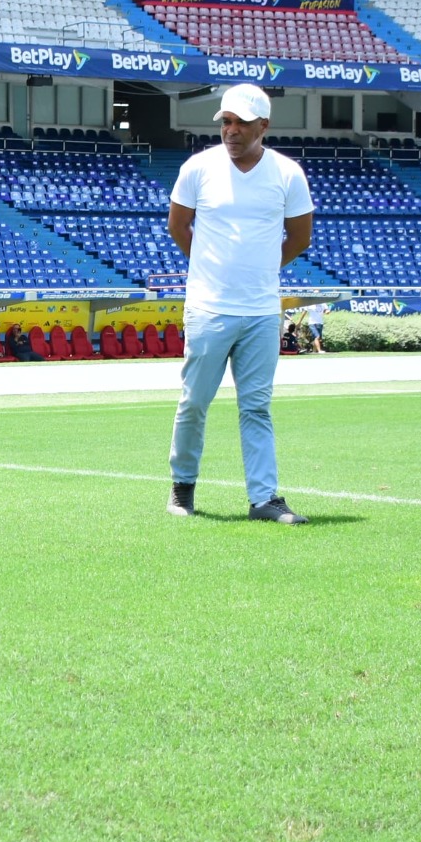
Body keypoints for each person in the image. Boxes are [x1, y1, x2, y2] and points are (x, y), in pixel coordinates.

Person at [165, 83, 314, 524]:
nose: (230, 130)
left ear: (262, 125)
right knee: (194, 401)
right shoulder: (198, 168)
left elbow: (300, 237)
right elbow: (178, 226)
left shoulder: (287, 174)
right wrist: (214, 269)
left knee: (256, 406)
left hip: (262, 312)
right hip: (209, 309)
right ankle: (182, 488)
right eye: (226, 122)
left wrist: (263, 271)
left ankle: (264, 499)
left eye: (240, 123)